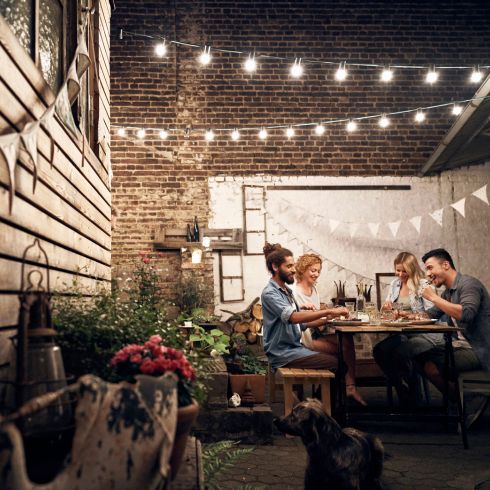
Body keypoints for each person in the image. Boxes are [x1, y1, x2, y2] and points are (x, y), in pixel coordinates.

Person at [419, 248, 490, 427]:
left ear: (445, 265)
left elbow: (466, 314)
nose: (428, 274)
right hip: (462, 345)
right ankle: (464, 401)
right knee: (422, 358)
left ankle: (467, 401)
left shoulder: (469, 284)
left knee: (428, 359)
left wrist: (433, 298)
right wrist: (406, 315)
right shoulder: (448, 292)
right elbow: (431, 315)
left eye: (430, 268)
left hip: (479, 349)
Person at [260, 243, 349, 376]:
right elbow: (293, 317)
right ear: (275, 267)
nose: (294, 270)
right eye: (289, 266)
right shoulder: (270, 293)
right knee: (337, 363)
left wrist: (326, 320)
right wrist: (329, 311)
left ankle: (319, 396)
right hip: (282, 353)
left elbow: (301, 324)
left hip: (294, 348)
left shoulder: (286, 291)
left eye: (293, 266)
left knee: (340, 360)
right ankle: (318, 397)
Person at [292, 253, 366, 405]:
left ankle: (348, 388)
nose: (316, 274)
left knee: (346, 340)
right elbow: (303, 321)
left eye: (318, 271)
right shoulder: (294, 292)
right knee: (340, 357)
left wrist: (330, 317)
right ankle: (325, 398)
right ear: (302, 269)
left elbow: (317, 318)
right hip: (302, 338)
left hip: (316, 334)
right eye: (312, 270)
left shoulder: (314, 290)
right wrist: (328, 316)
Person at [373, 251, 445, 405]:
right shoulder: (395, 284)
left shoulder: (423, 284)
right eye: (397, 270)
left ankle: (414, 391)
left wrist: (408, 315)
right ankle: (401, 388)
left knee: (401, 352)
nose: (400, 274)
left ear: (412, 269)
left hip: (422, 333)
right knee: (379, 351)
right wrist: (386, 309)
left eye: (404, 270)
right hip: (402, 332)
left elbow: (432, 315)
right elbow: (387, 310)